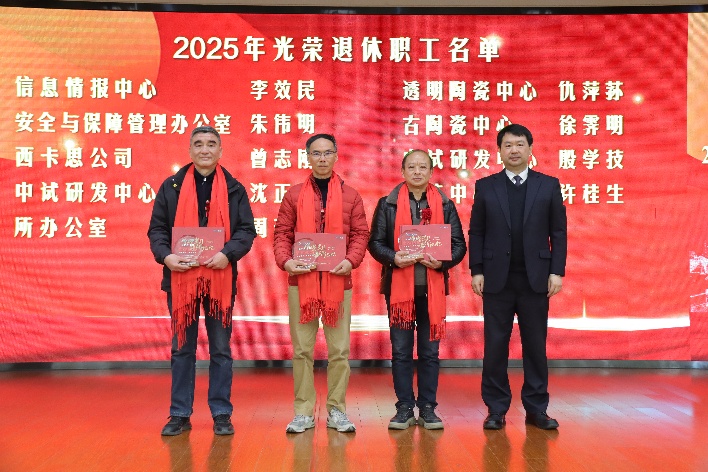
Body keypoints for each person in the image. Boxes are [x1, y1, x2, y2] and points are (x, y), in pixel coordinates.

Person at [148, 126, 256, 436]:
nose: (204, 149)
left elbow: (246, 231)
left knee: (220, 349)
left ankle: (221, 413)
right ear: (190, 151)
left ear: (220, 151)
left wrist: (227, 254)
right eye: (198, 144)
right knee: (182, 348)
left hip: (219, 279)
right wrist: (166, 257)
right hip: (181, 279)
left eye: (211, 144)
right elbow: (157, 230)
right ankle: (179, 413)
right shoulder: (171, 187)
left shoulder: (234, 188)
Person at [469, 123, 567, 430]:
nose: (514, 150)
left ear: (530, 150)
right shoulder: (486, 186)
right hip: (496, 279)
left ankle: (537, 409)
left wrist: (556, 271)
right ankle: (496, 409)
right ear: (499, 151)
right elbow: (477, 231)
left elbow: (558, 232)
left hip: (535, 279)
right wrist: (476, 270)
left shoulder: (548, 185)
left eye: (520, 144)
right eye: (508, 145)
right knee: (495, 346)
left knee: (535, 346)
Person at [273, 133, 369, 434]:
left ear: (336, 156)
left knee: (339, 350)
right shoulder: (293, 195)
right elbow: (282, 234)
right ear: (308, 157)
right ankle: (303, 411)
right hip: (301, 282)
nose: (322, 158)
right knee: (302, 350)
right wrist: (286, 261)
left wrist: (351, 261)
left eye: (328, 153)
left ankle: (337, 410)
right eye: (316, 153)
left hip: (338, 282)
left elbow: (360, 235)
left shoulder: (351, 195)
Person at [368, 149, 466, 430]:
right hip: (399, 291)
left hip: (431, 290)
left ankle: (428, 408)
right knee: (401, 352)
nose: (417, 172)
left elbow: (459, 245)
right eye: (411, 167)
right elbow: (375, 243)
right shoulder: (387, 204)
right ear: (403, 171)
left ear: (431, 172)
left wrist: (442, 262)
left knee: (429, 352)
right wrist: (393, 257)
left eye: (423, 167)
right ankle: (403, 408)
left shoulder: (445, 204)